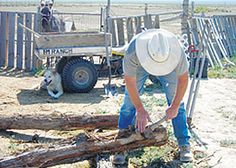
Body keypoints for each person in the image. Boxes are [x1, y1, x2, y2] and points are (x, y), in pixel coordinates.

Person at [110, 29, 193, 164]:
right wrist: (140, 109)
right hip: (140, 65)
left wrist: (175, 106)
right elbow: (130, 83)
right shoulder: (133, 51)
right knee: (129, 103)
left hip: (170, 67)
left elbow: (183, 80)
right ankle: (121, 144)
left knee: (176, 101)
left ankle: (184, 144)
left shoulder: (177, 52)